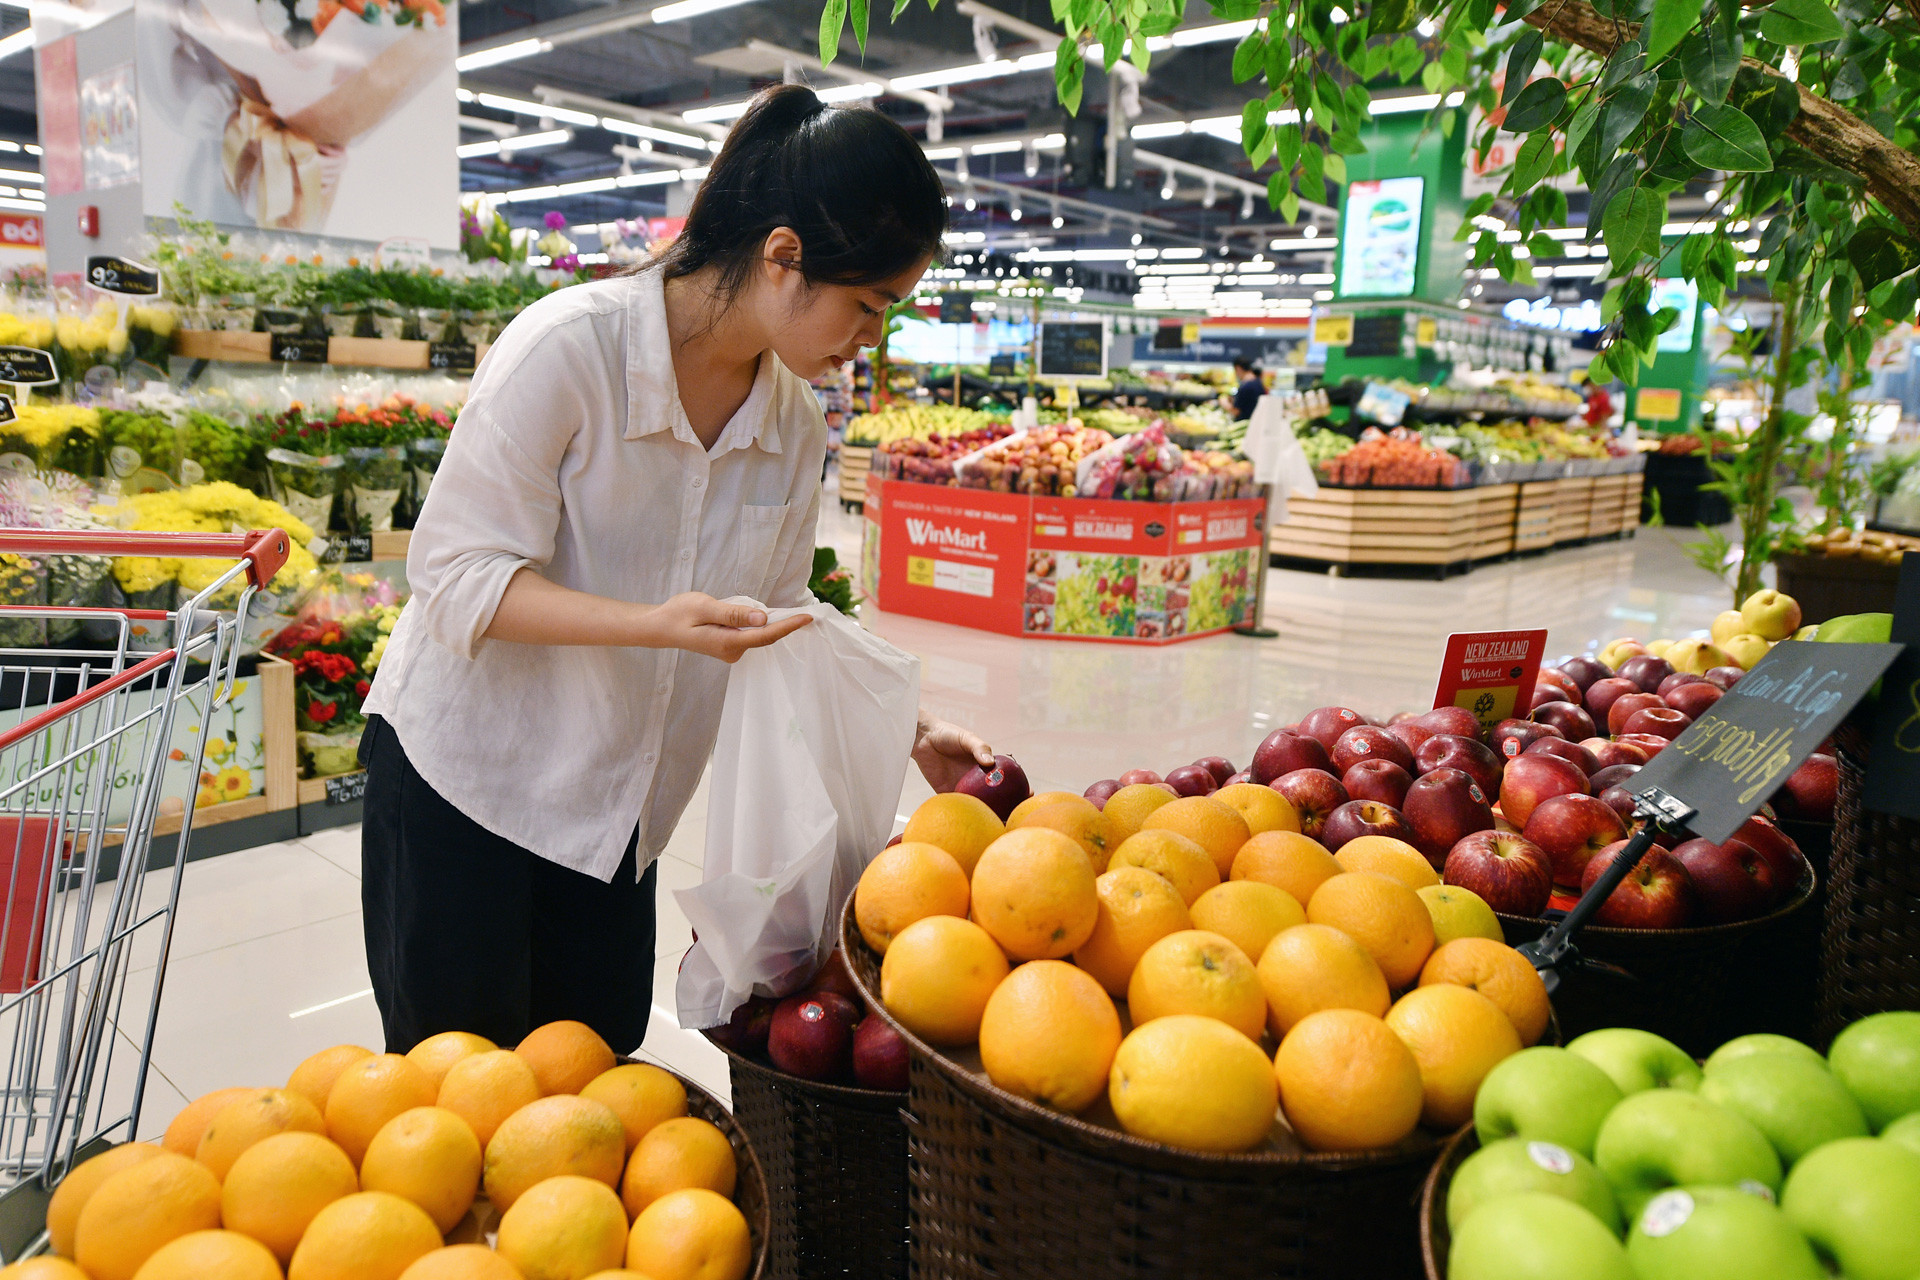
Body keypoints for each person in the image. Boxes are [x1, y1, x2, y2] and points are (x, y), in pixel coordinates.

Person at [358, 85, 994, 1055]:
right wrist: (653, 622)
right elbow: (455, 575)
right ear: (784, 258)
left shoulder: (791, 422)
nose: (872, 339)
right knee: (459, 1092)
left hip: (619, 814)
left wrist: (911, 727)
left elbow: (779, 608)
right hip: (468, 786)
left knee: (598, 1090)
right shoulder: (569, 349)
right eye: (868, 306)